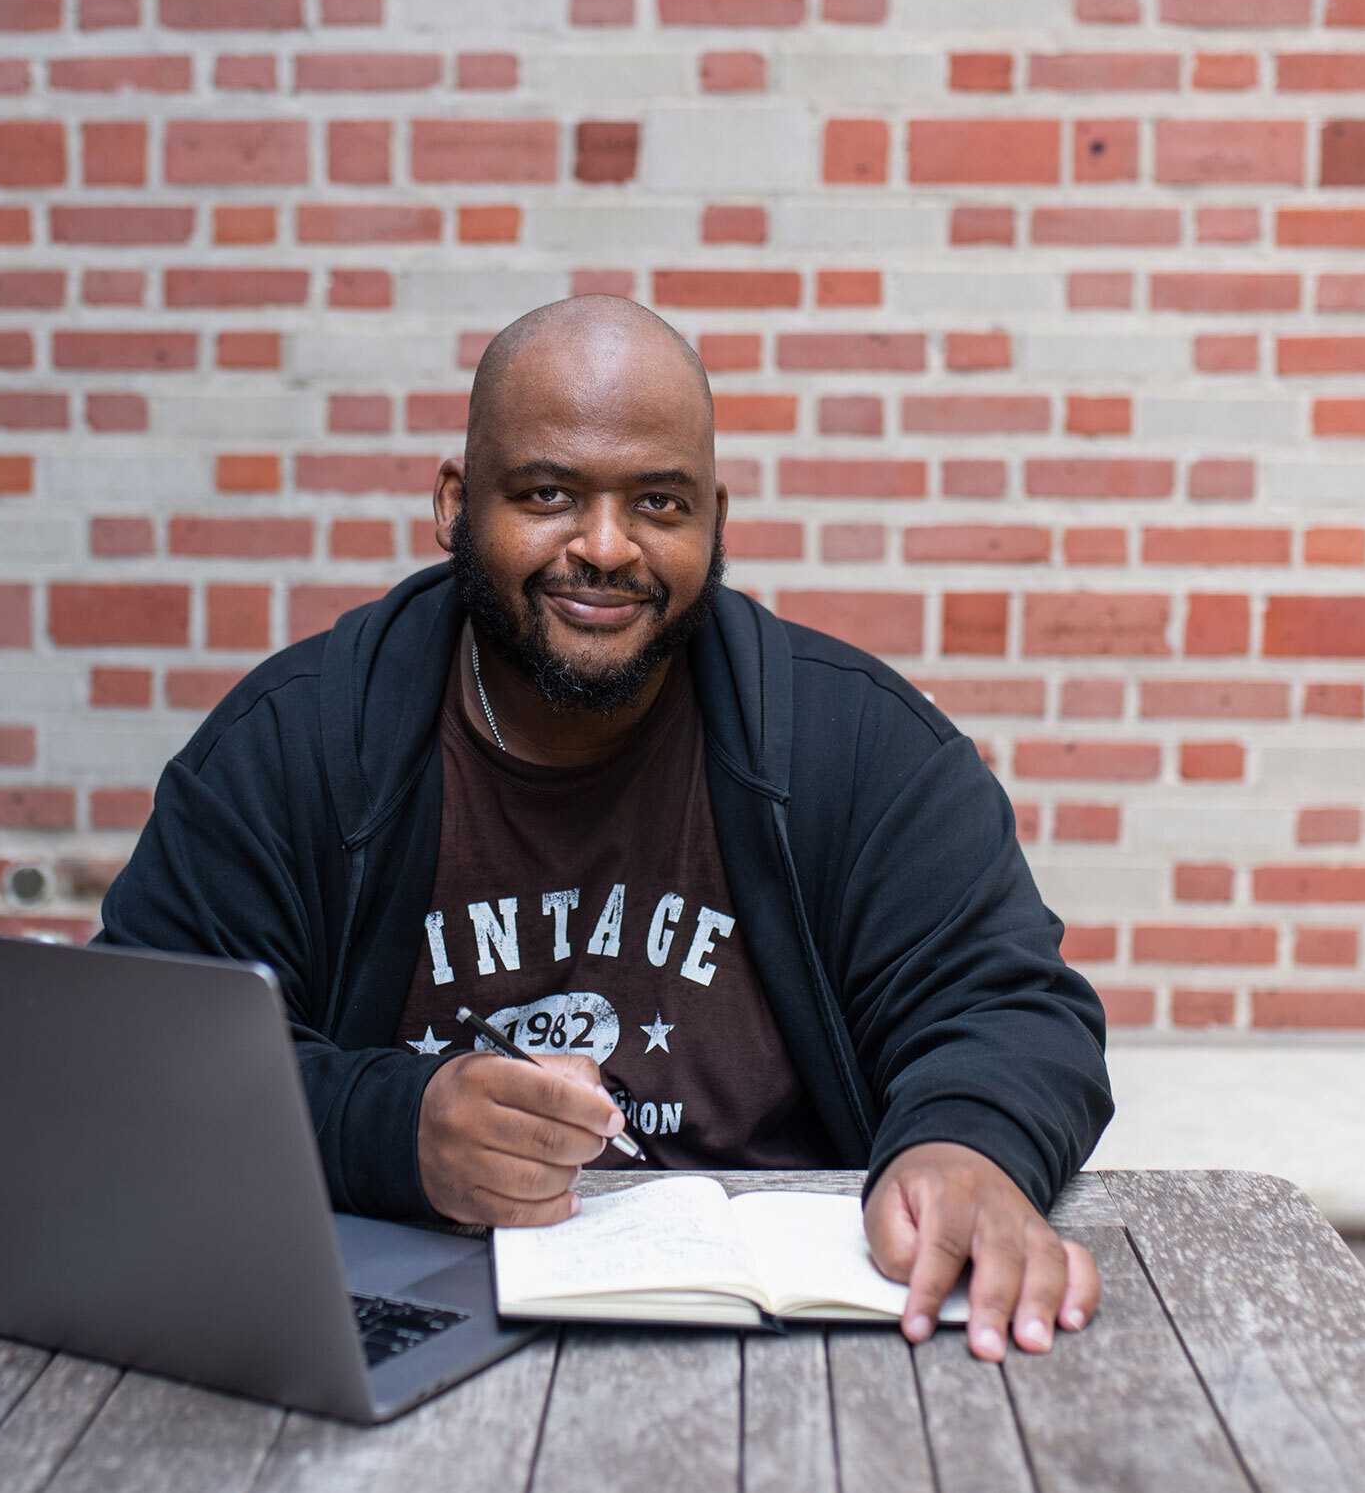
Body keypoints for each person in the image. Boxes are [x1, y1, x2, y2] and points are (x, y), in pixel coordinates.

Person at [96, 295, 1113, 1361]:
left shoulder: (853, 745)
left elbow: (1009, 1005)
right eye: (547, 494)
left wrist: (967, 1147)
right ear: (455, 505)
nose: (606, 546)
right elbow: (139, 1049)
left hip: (799, 1341)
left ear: (716, 518)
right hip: (403, 1322)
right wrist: (392, 1134)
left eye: (661, 504)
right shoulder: (296, 745)